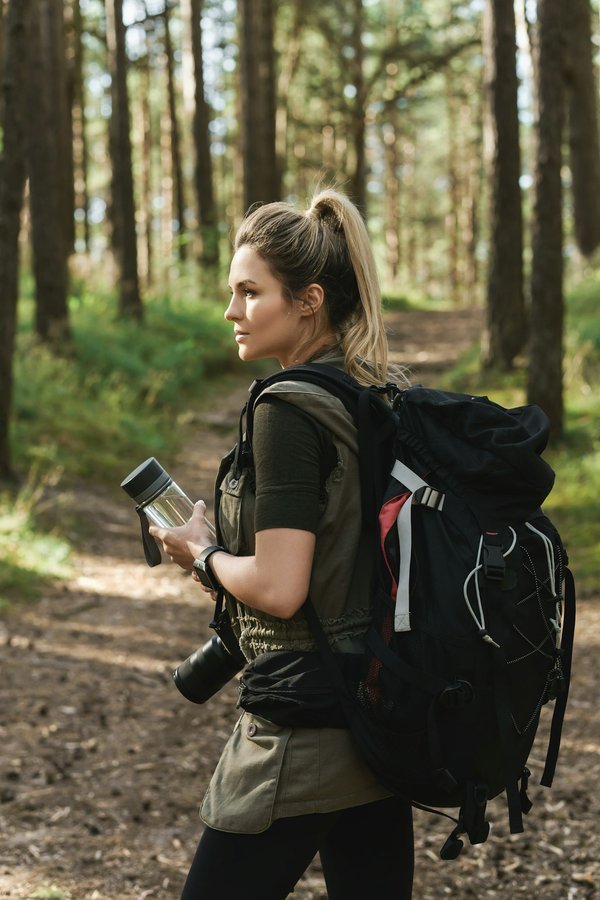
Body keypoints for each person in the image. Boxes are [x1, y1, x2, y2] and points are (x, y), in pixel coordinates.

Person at [149, 188, 414, 899]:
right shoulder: (372, 391)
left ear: (309, 300)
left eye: (248, 291)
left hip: (302, 725)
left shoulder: (288, 410)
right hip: (379, 716)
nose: (231, 311)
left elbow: (282, 587)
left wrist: (202, 554)